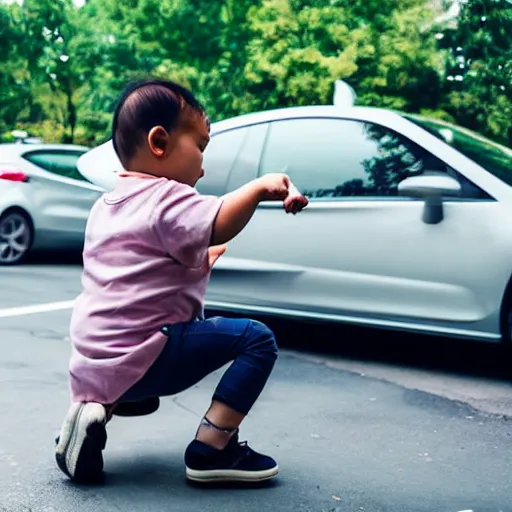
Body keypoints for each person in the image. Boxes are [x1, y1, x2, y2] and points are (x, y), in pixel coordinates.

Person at [55, 78, 308, 485]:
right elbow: (219, 222)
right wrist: (261, 187)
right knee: (256, 340)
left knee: (141, 358)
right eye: (201, 147)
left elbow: (140, 271)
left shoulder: (107, 206)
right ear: (160, 142)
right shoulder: (167, 196)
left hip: (94, 361)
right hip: (145, 356)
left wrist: (200, 260)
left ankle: (90, 416)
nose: (203, 165)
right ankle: (214, 447)